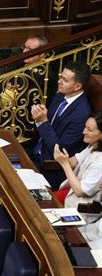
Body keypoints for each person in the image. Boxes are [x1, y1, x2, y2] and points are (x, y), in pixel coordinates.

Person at [30, 60, 92, 189]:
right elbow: (50, 123)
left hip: (49, 166)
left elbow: (59, 149)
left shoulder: (81, 115)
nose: (59, 82)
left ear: (77, 86)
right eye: (60, 77)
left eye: (65, 80)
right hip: (35, 149)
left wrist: (42, 121)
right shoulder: (61, 95)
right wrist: (40, 116)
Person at [53, 112, 102, 220]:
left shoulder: (100, 162)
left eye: (89, 130)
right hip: (69, 194)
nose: (84, 131)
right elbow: (75, 160)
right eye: (85, 127)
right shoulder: (92, 146)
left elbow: (80, 191)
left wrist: (65, 164)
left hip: (82, 207)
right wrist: (62, 157)